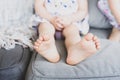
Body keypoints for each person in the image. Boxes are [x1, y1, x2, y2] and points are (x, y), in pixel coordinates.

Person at [33, 0, 100, 65]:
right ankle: (48, 47)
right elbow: (38, 6)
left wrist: (70, 19)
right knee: (45, 28)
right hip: (48, 20)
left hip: (70, 23)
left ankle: (75, 51)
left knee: (72, 32)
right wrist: (51, 19)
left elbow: (83, 11)